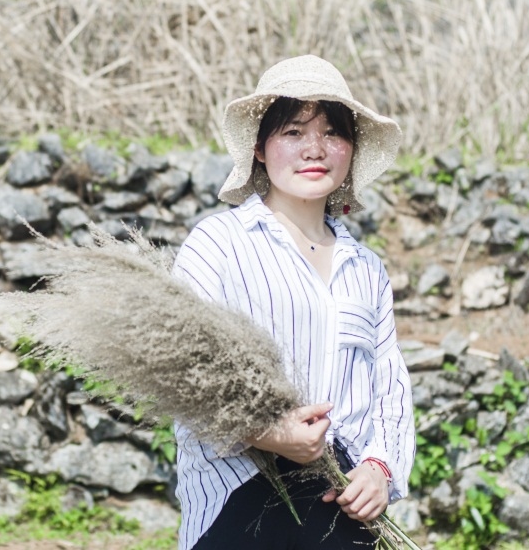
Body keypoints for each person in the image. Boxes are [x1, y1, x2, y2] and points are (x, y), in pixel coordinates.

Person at [171, 55, 415, 549]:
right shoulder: (220, 243)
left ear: (351, 149)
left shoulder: (365, 268)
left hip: (340, 507)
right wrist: (267, 430)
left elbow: (389, 385)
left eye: (332, 133)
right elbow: (179, 368)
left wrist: (378, 468)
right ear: (260, 148)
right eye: (294, 132)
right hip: (238, 502)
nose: (315, 149)